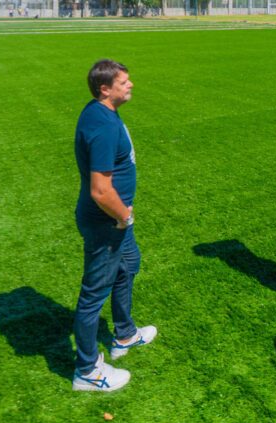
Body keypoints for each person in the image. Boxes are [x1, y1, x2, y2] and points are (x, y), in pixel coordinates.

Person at [71, 59, 157, 392]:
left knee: (128, 267)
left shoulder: (101, 113)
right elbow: (100, 190)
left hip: (118, 222)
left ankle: (124, 335)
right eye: (124, 81)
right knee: (93, 294)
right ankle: (88, 371)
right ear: (105, 89)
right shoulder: (103, 125)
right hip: (109, 222)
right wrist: (123, 216)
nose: (131, 84)